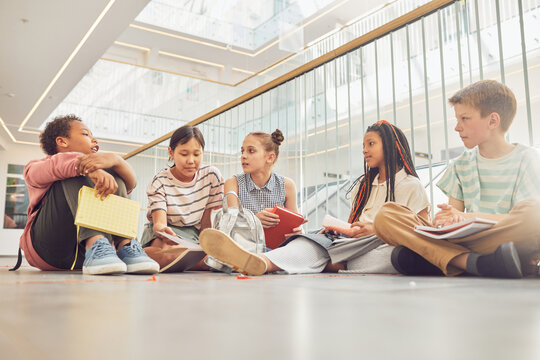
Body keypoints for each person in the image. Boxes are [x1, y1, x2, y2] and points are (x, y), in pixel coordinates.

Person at [199, 121, 430, 276]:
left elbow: (421, 230)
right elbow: (354, 225)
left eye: (371, 144)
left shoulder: (410, 185)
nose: (364, 150)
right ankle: (261, 262)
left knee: (395, 254)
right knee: (309, 241)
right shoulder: (364, 185)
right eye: (363, 145)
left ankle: (331, 262)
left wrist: (377, 229)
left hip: (380, 243)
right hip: (354, 243)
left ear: (390, 147)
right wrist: (342, 230)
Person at [373, 80, 540, 278]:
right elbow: (453, 217)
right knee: (386, 215)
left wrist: (466, 218)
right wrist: (446, 220)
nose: (457, 128)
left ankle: (445, 260)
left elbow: (522, 219)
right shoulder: (460, 165)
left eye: (465, 118)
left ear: (493, 121)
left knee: (534, 215)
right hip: (465, 241)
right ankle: (476, 263)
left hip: (503, 237)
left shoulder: (527, 159)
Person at [16, 114, 159, 275]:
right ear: (62, 141)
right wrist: (89, 168)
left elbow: (130, 184)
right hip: (49, 249)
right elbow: (58, 165)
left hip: (87, 256)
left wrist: (117, 160)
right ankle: (94, 241)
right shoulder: (36, 167)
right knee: (74, 170)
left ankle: (126, 246)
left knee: (115, 177)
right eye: (86, 134)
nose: (94, 140)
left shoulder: (101, 173)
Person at [141, 125, 224, 271]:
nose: (191, 161)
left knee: (180, 255)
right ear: (171, 152)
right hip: (165, 233)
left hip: (192, 233)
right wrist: (164, 231)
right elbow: (159, 224)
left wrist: (208, 243)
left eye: (196, 154)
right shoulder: (159, 181)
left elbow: (206, 224)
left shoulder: (212, 176)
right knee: (167, 252)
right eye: (184, 154)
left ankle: (200, 260)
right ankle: (208, 262)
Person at [224, 129, 301, 232]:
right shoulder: (233, 183)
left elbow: (295, 225)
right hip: (244, 246)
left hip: (280, 247)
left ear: (270, 158)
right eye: (242, 151)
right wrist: (255, 220)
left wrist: (297, 231)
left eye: (251, 151)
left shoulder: (287, 186)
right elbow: (230, 224)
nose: (243, 156)